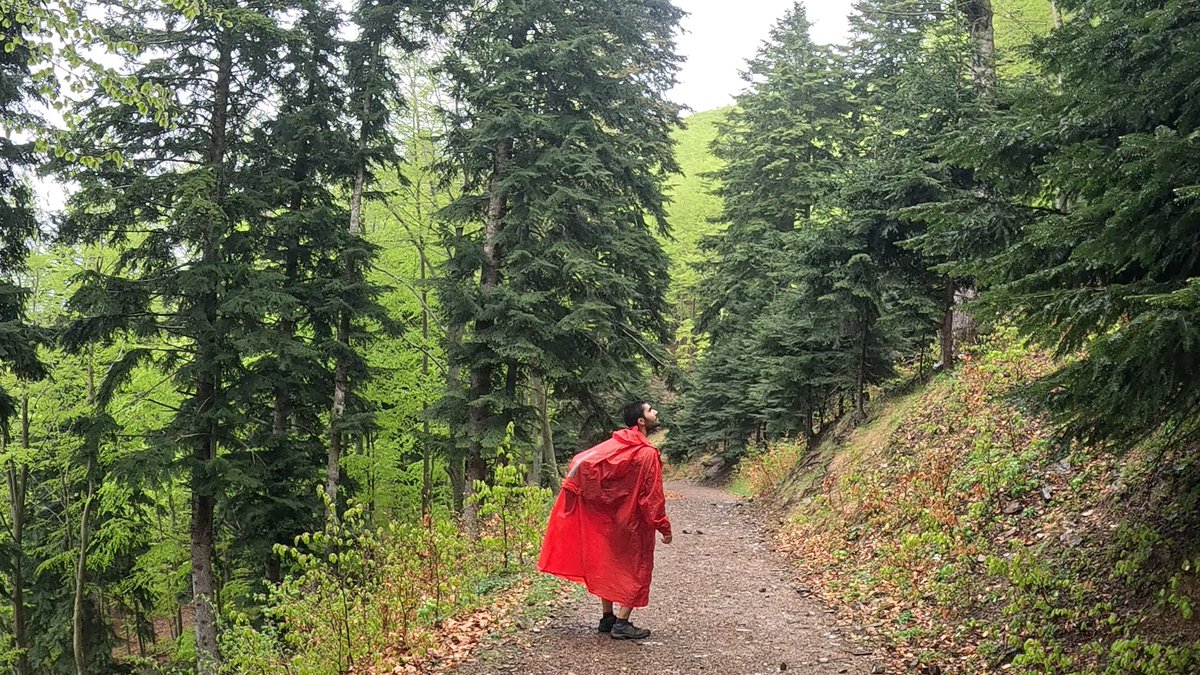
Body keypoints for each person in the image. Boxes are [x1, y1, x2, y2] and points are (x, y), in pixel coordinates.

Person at [537, 401, 673, 640]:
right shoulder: (646, 453)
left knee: (609, 564)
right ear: (641, 421)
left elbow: (582, 463)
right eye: (651, 410)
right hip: (634, 524)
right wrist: (662, 525)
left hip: (609, 520)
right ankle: (622, 623)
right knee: (637, 568)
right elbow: (652, 495)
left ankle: (607, 617)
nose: (656, 412)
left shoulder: (615, 446)